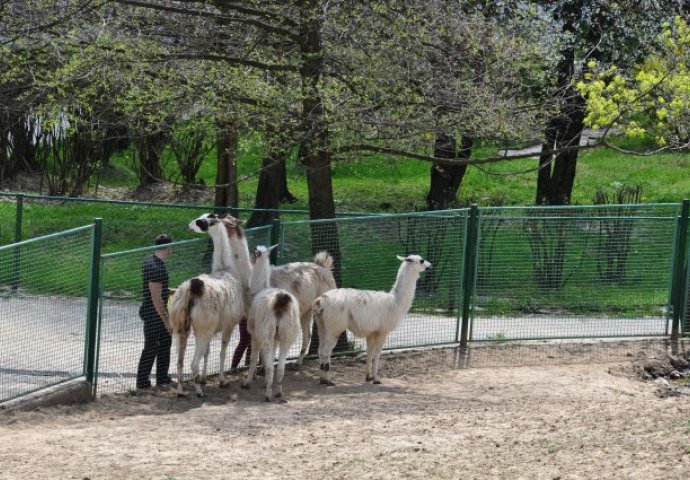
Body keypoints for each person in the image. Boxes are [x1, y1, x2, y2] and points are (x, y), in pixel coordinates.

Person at [136, 234, 174, 389]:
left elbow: (157, 289)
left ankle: (162, 378)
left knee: (165, 342)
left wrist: (171, 291)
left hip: (154, 311)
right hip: (153, 313)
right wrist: (167, 321)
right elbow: (156, 299)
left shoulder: (151, 261)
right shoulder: (156, 268)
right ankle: (142, 381)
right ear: (168, 248)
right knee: (151, 346)